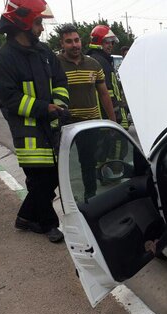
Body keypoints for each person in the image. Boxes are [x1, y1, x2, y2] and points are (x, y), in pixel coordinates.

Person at [0, 0, 69, 243]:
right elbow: (10, 99)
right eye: (37, 23)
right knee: (39, 180)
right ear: (23, 23)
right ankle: (49, 225)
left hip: (52, 128)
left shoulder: (45, 53)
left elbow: (60, 82)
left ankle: (25, 217)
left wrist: (59, 104)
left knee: (52, 178)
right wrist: (44, 108)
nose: (41, 28)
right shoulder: (4, 59)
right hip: (28, 133)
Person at [56, 24, 116, 201]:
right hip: (65, 125)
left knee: (88, 163)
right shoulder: (55, 65)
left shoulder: (93, 64)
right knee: (62, 165)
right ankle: (66, 200)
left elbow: (104, 93)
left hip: (90, 123)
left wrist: (112, 121)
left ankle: (90, 197)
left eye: (76, 40)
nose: (74, 45)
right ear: (62, 43)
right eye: (69, 42)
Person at [87, 25, 129, 131]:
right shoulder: (102, 63)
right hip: (108, 120)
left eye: (112, 42)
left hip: (101, 120)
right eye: (107, 42)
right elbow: (111, 95)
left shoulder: (93, 60)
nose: (110, 45)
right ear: (98, 42)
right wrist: (117, 120)